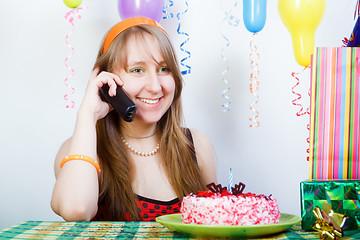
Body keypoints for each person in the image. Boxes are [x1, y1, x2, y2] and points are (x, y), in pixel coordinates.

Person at [51, 17, 217, 222]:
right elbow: (75, 210)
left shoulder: (196, 145)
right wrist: (87, 115)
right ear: (105, 79)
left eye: (164, 69)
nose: (155, 87)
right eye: (137, 70)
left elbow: (215, 225)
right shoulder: (80, 148)